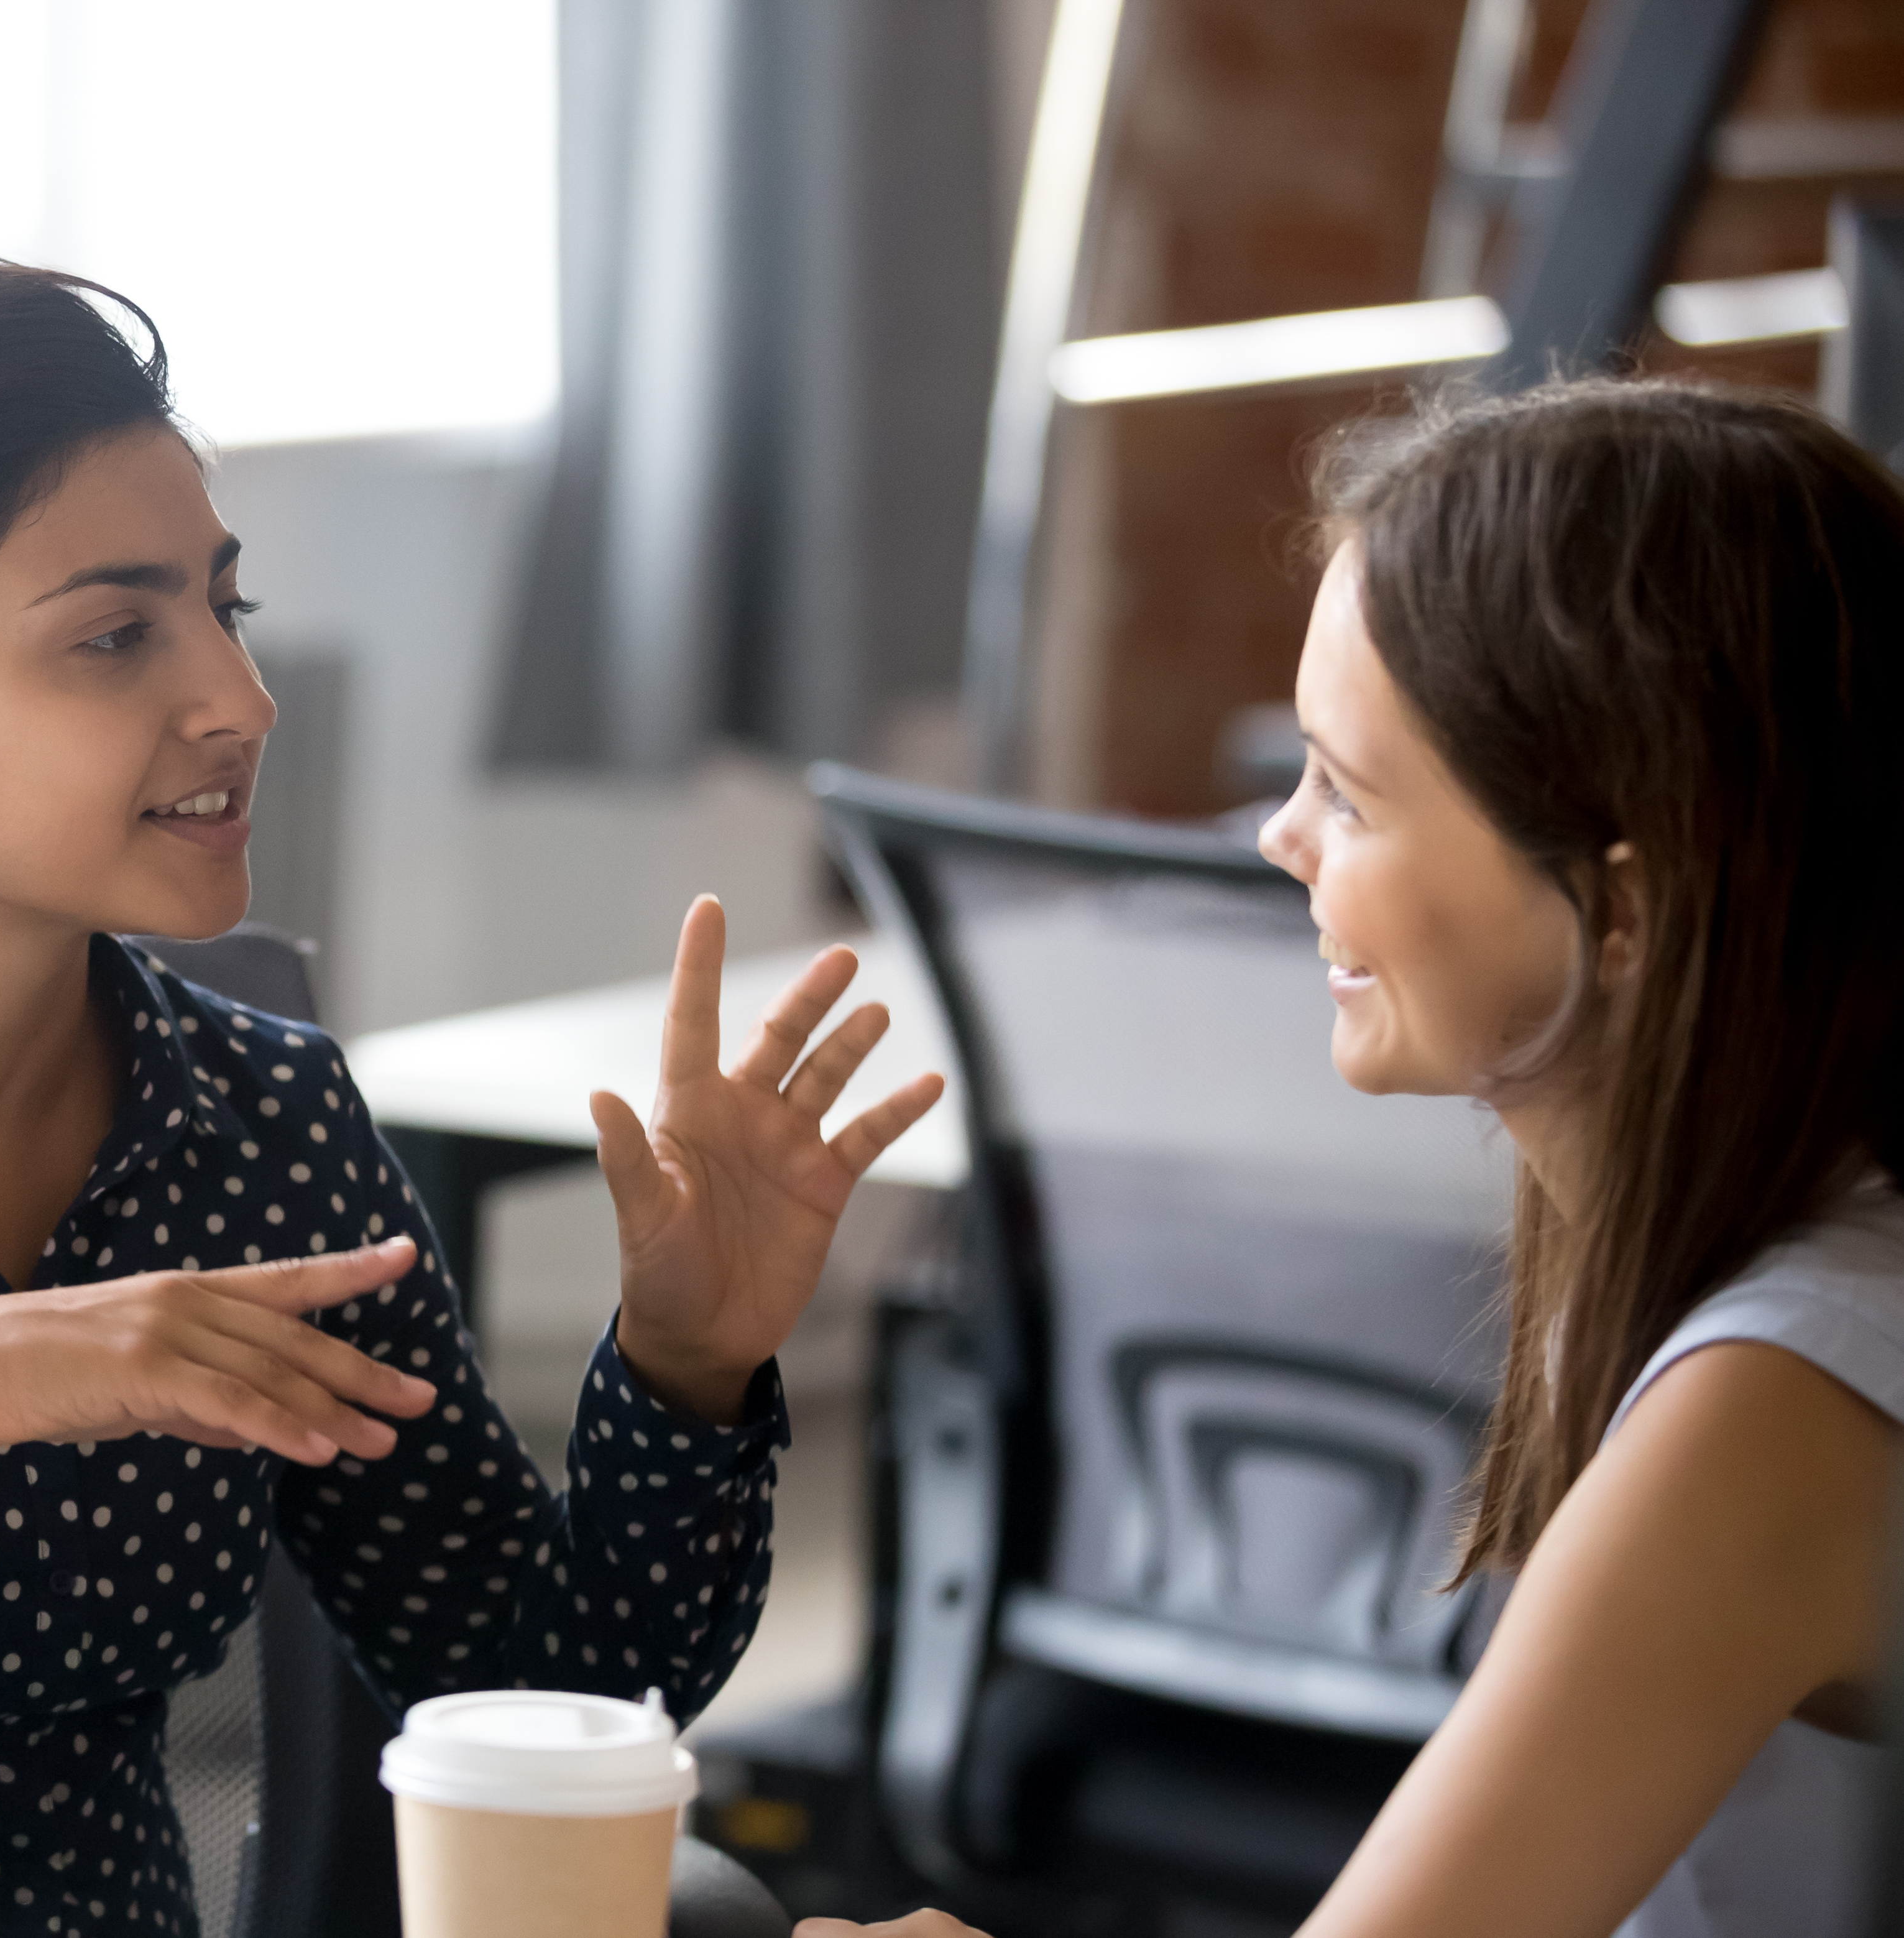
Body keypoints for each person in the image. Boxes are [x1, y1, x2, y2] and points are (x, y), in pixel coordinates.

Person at [0, 252, 942, 1937]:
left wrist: (686, 1361)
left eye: (223, 604)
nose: (237, 698)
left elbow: (541, 1687)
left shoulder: (258, 1128)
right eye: (117, 633)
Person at [798, 379, 1904, 1938]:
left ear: (1628, 911)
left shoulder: (1773, 1398)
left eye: (1349, 790)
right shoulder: (1720, 1255)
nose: (1279, 837)